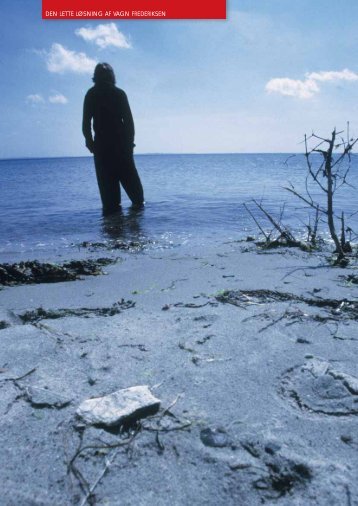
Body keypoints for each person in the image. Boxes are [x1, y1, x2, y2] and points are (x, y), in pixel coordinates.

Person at [82, 63, 144, 215]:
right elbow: (129, 123)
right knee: (137, 198)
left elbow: (85, 124)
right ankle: (135, 234)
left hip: (103, 151)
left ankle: (113, 235)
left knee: (110, 202)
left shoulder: (92, 94)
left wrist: (91, 144)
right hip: (121, 149)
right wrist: (129, 145)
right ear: (112, 76)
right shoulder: (118, 93)